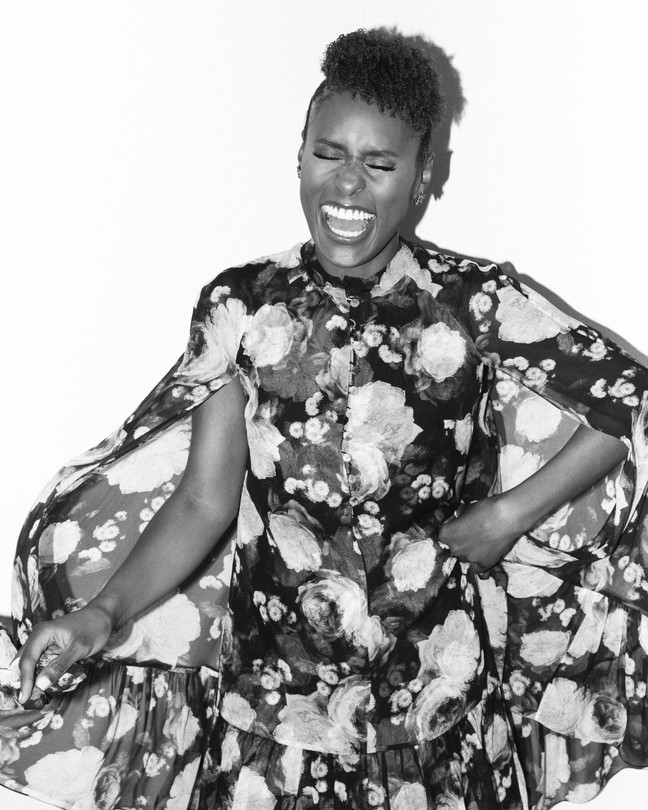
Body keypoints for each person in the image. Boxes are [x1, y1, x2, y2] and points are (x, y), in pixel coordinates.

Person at [1, 27, 647, 810]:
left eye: (379, 165)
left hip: (435, 718)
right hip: (272, 723)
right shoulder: (241, 306)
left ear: (423, 176)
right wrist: (102, 614)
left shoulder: (475, 303)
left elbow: (626, 398)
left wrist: (509, 515)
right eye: (326, 154)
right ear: (299, 154)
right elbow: (207, 500)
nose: (346, 187)